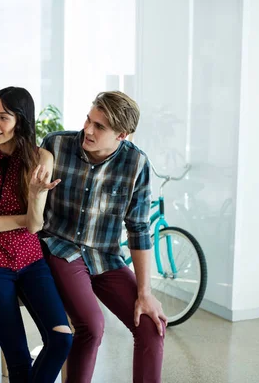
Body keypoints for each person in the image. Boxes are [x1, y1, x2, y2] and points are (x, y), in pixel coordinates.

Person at [39, 91, 167, 383]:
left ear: (122, 135)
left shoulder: (136, 164)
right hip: (60, 247)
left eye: (99, 127)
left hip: (105, 257)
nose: (88, 129)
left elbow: (138, 229)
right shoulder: (55, 145)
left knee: (151, 324)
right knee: (92, 326)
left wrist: (145, 293)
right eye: (88, 119)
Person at [0, 87, 72, 383]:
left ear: (21, 121)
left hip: (32, 262)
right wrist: (27, 215)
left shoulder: (42, 158)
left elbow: (35, 227)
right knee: (20, 363)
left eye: (3, 117)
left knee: (62, 339)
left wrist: (35, 195)